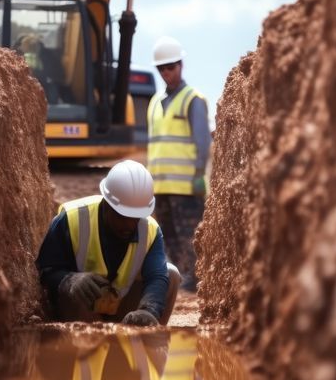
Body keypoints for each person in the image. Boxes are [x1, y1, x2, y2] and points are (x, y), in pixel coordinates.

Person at [36, 160, 181, 325]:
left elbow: (157, 276)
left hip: (123, 307)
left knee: (171, 274)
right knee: (72, 293)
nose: (129, 225)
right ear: (106, 204)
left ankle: (149, 344)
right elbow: (46, 269)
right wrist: (69, 280)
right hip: (81, 310)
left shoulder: (150, 230)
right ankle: (80, 346)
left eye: (135, 218)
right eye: (122, 217)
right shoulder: (71, 219)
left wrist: (149, 310)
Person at [146, 36, 211, 293]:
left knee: (190, 237)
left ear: (180, 65)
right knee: (167, 237)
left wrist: (198, 174)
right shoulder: (154, 103)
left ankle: (194, 280)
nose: (166, 73)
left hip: (185, 186)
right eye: (161, 68)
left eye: (170, 67)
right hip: (161, 185)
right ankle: (175, 278)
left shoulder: (193, 99)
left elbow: (202, 142)